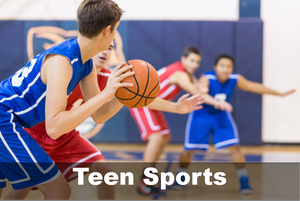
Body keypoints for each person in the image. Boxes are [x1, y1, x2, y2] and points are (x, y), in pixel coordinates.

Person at [4, 39, 204, 199]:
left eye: (111, 48)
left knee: (106, 173)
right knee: (23, 188)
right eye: (103, 46)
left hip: (66, 137)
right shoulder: (70, 66)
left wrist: (176, 107)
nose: (105, 51)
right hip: (37, 133)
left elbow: (143, 98)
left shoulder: (110, 78)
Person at [0, 0, 129, 199]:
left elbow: (99, 115)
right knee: (58, 190)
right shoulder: (63, 62)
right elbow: (54, 127)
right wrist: (105, 94)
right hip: (4, 118)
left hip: (12, 120)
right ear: (107, 30)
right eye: (115, 30)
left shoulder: (84, 62)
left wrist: (124, 95)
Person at [175, 54, 296, 194]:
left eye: (229, 66)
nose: (225, 69)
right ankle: (180, 177)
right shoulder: (206, 78)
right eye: (222, 66)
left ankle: (244, 181)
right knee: (188, 150)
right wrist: (217, 103)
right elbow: (202, 95)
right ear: (215, 67)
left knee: (235, 148)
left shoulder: (235, 79)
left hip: (221, 115)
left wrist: (279, 94)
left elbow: (255, 86)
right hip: (201, 115)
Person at [128, 47, 231, 197]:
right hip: (142, 102)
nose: (195, 64)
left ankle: (150, 174)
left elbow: (200, 86)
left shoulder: (187, 74)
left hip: (155, 105)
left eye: (198, 62)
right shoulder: (180, 74)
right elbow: (197, 92)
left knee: (165, 137)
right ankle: (145, 182)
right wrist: (218, 102)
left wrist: (203, 84)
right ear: (183, 60)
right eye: (192, 60)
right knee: (156, 137)